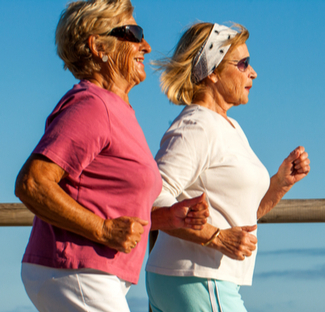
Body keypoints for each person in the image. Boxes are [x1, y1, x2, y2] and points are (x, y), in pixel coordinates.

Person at [14, 1, 208, 311]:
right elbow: (33, 183)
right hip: (76, 270)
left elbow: (108, 205)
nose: (146, 45)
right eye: (134, 32)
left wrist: (165, 218)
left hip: (96, 274)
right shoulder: (92, 106)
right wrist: (102, 231)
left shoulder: (117, 110)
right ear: (98, 45)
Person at [145, 22, 311, 312]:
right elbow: (151, 199)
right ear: (212, 71)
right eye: (243, 63)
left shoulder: (229, 126)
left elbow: (240, 215)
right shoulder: (196, 125)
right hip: (197, 278)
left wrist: (281, 183)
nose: (253, 72)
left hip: (197, 279)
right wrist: (217, 238)